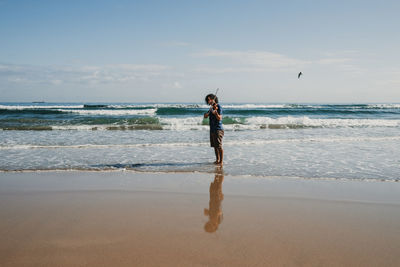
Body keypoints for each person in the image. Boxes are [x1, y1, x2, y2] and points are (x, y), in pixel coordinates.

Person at [204, 93, 224, 165]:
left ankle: (221, 161)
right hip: (212, 129)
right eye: (208, 100)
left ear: (213, 99)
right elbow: (205, 116)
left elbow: (219, 118)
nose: (209, 101)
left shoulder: (218, 107)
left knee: (219, 146)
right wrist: (206, 114)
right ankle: (217, 160)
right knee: (215, 146)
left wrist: (216, 113)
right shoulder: (211, 108)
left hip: (218, 129)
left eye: (210, 99)